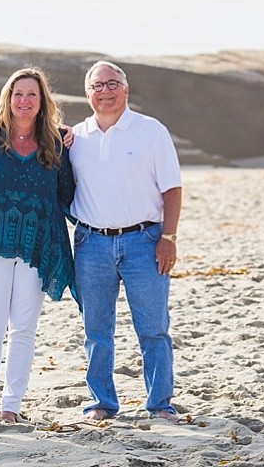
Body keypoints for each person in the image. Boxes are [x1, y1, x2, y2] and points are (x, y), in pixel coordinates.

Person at [68, 60, 183, 424]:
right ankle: (101, 403)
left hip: (144, 242)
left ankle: (160, 404)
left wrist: (168, 237)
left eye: (112, 83)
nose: (105, 91)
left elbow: (172, 188)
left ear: (125, 88)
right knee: (96, 331)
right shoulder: (75, 138)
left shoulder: (151, 131)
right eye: (97, 86)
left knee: (153, 328)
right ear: (88, 93)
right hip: (91, 244)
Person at [0, 67, 76, 424]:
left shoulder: (57, 142)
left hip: (36, 246)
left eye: (32, 95)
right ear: (7, 99)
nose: (24, 101)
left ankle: (11, 406)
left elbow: (67, 194)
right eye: (18, 94)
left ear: (42, 102)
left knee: (24, 328)